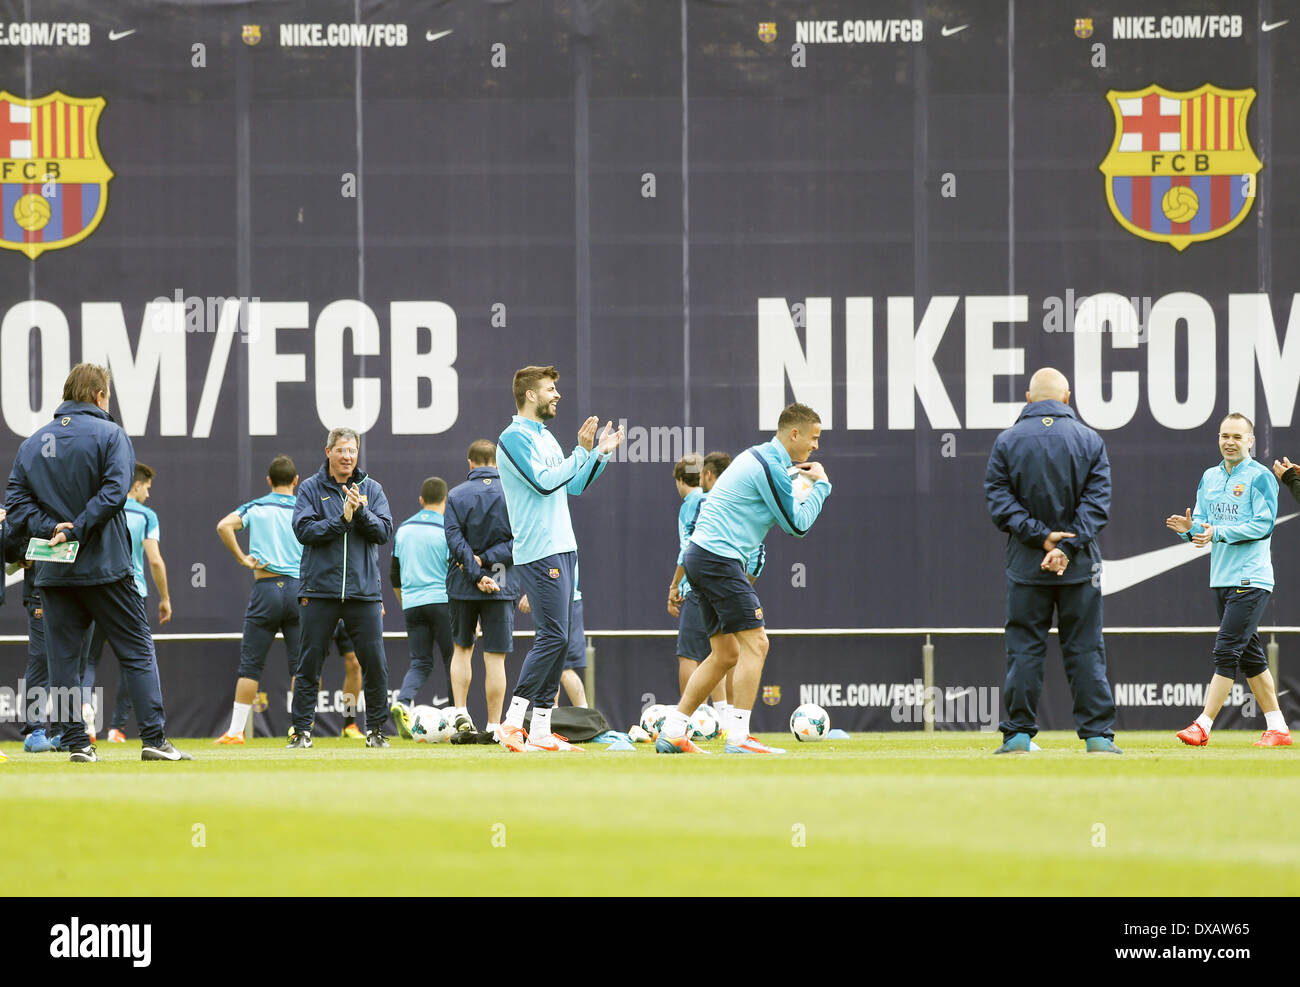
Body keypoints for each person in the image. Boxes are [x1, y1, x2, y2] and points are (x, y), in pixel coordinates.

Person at [4, 364, 190, 762]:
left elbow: (17, 506)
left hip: (53, 572)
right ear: (100, 395)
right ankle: (154, 741)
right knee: (137, 651)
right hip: (106, 567)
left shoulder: (33, 443)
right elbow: (114, 493)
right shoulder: (112, 434)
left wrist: (55, 527)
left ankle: (77, 745)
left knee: (64, 661)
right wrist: (75, 529)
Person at [658, 402, 831, 754]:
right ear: (793, 434)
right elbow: (796, 524)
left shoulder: (763, 460)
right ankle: (738, 737)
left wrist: (801, 483)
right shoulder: (770, 466)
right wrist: (822, 486)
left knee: (724, 653)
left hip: (701, 557)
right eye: (813, 438)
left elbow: (779, 509)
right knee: (758, 644)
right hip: (718, 559)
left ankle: (674, 729)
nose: (815, 446)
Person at [984, 367, 1120, 754]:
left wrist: (1041, 538)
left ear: (1029, 398)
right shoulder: (1090, 440)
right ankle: (1097, 738)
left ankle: (1018, 736)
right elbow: (1097, 505)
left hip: (1026, 567)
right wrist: (1066, 548)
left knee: (1025, 649)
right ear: (1067, 397)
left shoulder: (1007, 441)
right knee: (1085, 648)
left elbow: (999, 502)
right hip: (1079, 568)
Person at [494, 365, 623, 752]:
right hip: (538, 550)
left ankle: (542, 730)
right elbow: (544, 482)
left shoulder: (546, 437)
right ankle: (513, 722)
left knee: (560, 639)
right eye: (551, 389)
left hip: (564, 547)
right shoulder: (512, 438)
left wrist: (597, 454)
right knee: (552, 637)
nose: (557, 395)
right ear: (531, 395)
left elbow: (576, 484)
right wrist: (582, 451)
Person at [1167, 414, 1291, 748]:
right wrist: (1189, 531)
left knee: (1225, 651)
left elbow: (1263, 525)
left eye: (1237, 436)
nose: (1230, 441)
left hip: (1252, 578)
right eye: (1224, 435)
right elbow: (1203, 526)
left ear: (1251, 441)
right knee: (1250, 658)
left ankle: (1202, 725)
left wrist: (1216, 532)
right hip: (1220, 578)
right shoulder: (1209, 477)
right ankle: (1278, 728)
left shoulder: (1260, 476)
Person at [288, 427, 393, 749]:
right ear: (328, 452)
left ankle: (375, 730)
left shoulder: (371, 489)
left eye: (352, 451)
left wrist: (359, 512)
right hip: (319, 591)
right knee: (308, 665)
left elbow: (384, 531)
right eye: (341, 450)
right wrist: (343, 518)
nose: (347, 456)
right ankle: (302, 732)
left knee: (374, 665)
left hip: (363, 594)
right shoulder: (309, 488)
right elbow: (304, 531)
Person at [213, 455, 304, 744]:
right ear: (296, 481)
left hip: (265, 589)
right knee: (302, 666)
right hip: (299, 591)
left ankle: (236, 731)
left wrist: (242, 558)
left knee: (251, 665)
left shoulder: (258, 506)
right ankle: (301, 729)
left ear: (268, 481)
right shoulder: (306, 508)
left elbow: (223, 526)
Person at [81, 463, 171, 743]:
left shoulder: (103, 509)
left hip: (97, 589)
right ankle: (116, 729)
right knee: (132, 661)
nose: (149, 494)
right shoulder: (146, 515)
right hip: (132, 594)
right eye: (147, 487)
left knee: (88, 659)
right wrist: (165, 598)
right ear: (136, 485)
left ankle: (85, 709)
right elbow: (155, 560)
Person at [441, 439, 516, 744]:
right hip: (501, 583)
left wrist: (475, 572)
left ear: (469, 463)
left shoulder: (456, 494)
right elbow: (518, 541)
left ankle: (461, 710)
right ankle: (495, 725)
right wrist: (486, 565)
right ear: (496, 463)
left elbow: (453, 540)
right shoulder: (513, 493)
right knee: (495, 657)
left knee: (462, 648)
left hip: (463, 584)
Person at [388, 477, 456, 732]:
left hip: (413, 604)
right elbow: (455, 573)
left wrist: (406, 602)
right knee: (453, 662)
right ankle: (455, 717)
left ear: (421, 501)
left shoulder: (404, 529)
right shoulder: (447, 528)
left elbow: (394, 575)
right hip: (442, 603)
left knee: (420, 662)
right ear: (445, 500)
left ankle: (403, 703)